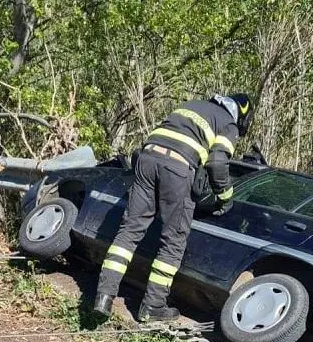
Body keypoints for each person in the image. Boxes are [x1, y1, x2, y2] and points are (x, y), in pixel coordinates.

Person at [93, 93, 254, 322]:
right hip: (177, 168)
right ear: (242, 114)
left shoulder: (192, 105)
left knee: (129, 231)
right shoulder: (228, 123)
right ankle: (153, 307)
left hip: (147, 160)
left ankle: (104, 296)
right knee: (173, 241)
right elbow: (217, 163)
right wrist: (225, 197)